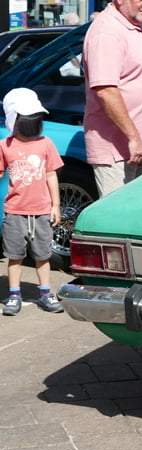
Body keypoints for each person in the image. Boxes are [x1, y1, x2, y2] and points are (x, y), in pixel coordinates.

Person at [82, 0, 142, 197]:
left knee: (139, 211)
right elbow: (105, 90)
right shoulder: (106, 31)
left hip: (141, 145)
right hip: (120, 148)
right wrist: (133, 137)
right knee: (118, 213)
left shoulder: (135, 26)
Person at [0, 89, 64, 316]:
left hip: (42, 211)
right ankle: (14, 294)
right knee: (14, 257)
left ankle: (45, 293)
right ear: (14, 121)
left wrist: (55, 205)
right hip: (15, 212)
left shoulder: (46, 144)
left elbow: (51, 175)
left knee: (43, 256)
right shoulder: (5, 145)